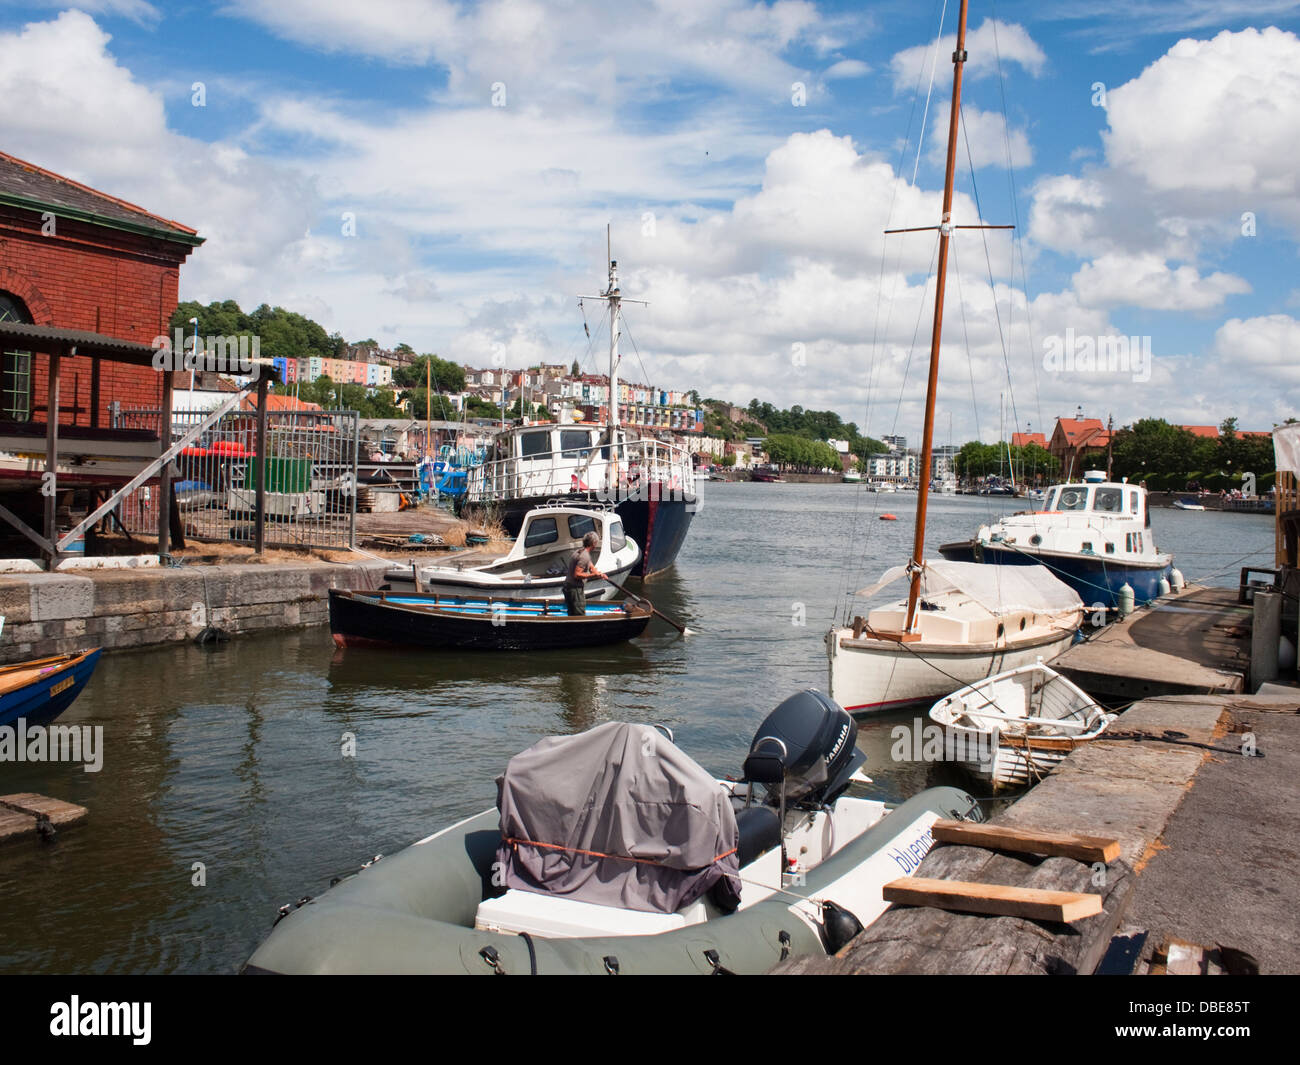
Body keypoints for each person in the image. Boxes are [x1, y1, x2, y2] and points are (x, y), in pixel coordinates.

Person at [563, 531, 608, 616]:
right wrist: (593, 575)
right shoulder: (584, 556)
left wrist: (599, 573)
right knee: (579, 614)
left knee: (572, 613)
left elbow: (590, 565)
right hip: (575, 589)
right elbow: (577, 575)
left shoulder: (580, 551)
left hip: (568, 587)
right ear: (594, 543)